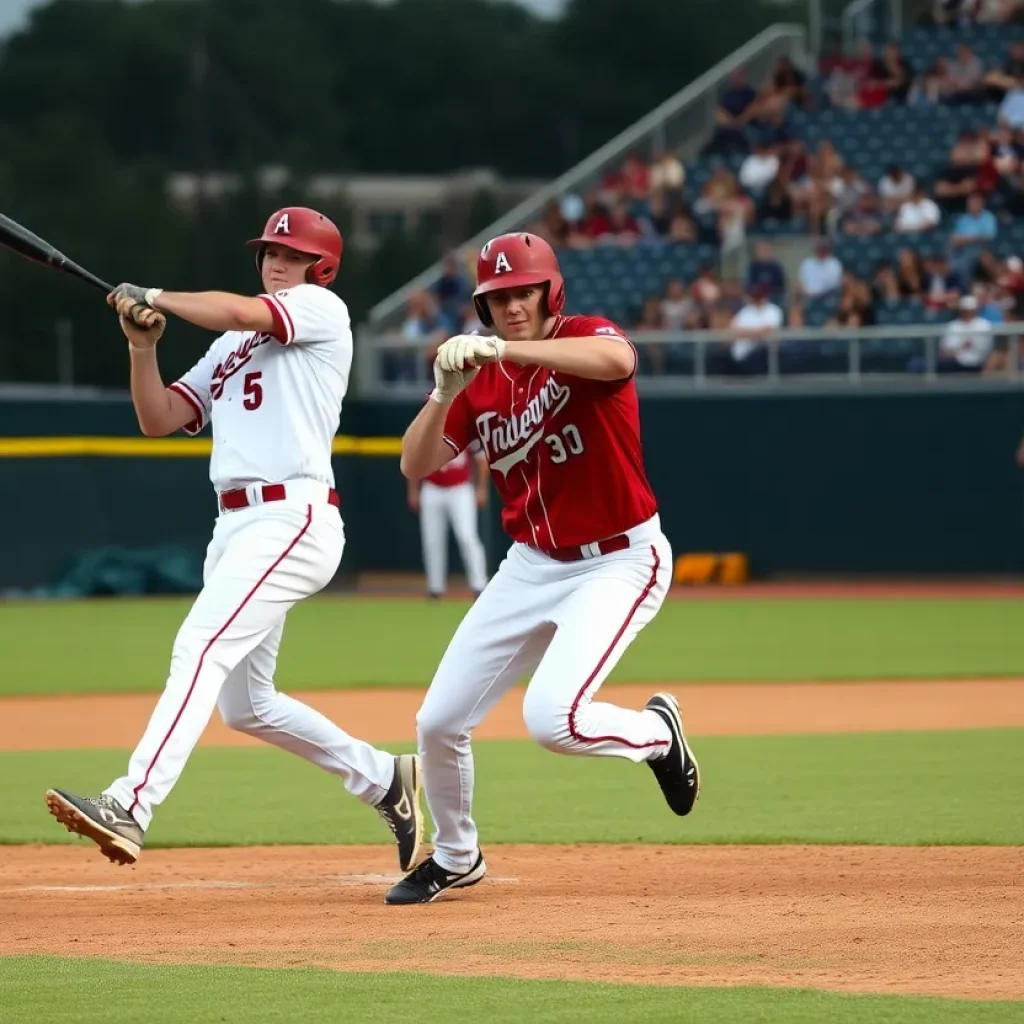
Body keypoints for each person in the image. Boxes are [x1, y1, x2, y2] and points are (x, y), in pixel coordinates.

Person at [45, 207, 423, 873]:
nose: (277, 261)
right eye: (270, 250)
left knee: (198, 645)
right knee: (247, 705)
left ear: (322, 267)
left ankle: (130, 803)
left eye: (293, 252)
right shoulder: (228, 347)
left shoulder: (320, 310)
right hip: (235, 526)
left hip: (291, 517)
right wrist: (143, 344)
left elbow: (244, 313)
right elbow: (161, 417)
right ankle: (385, 780)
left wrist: (154, 294)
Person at [388, 232, 700, 905]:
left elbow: (616, 357)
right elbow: (415, 463)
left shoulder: (583, 336)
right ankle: (456, 853)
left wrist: (506, 350)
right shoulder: (478, 380)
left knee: (553, 720)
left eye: (523, 290)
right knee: (438, 721)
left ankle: (656, 735)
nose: (512, 305)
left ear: (549, 292)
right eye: (498, 297)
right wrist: (444, 393)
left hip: (618, 558)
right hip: (530, 564)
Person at [409, 449, 489, 599]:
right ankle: (435, 588)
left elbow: (481, 458)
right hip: (431, 486)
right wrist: (413, 489)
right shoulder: (427, 427)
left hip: (461, 487)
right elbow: (414, 457)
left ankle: (479, 585)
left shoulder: (464, 426)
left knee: (467, 536)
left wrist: (482, 487)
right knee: (432, 540)